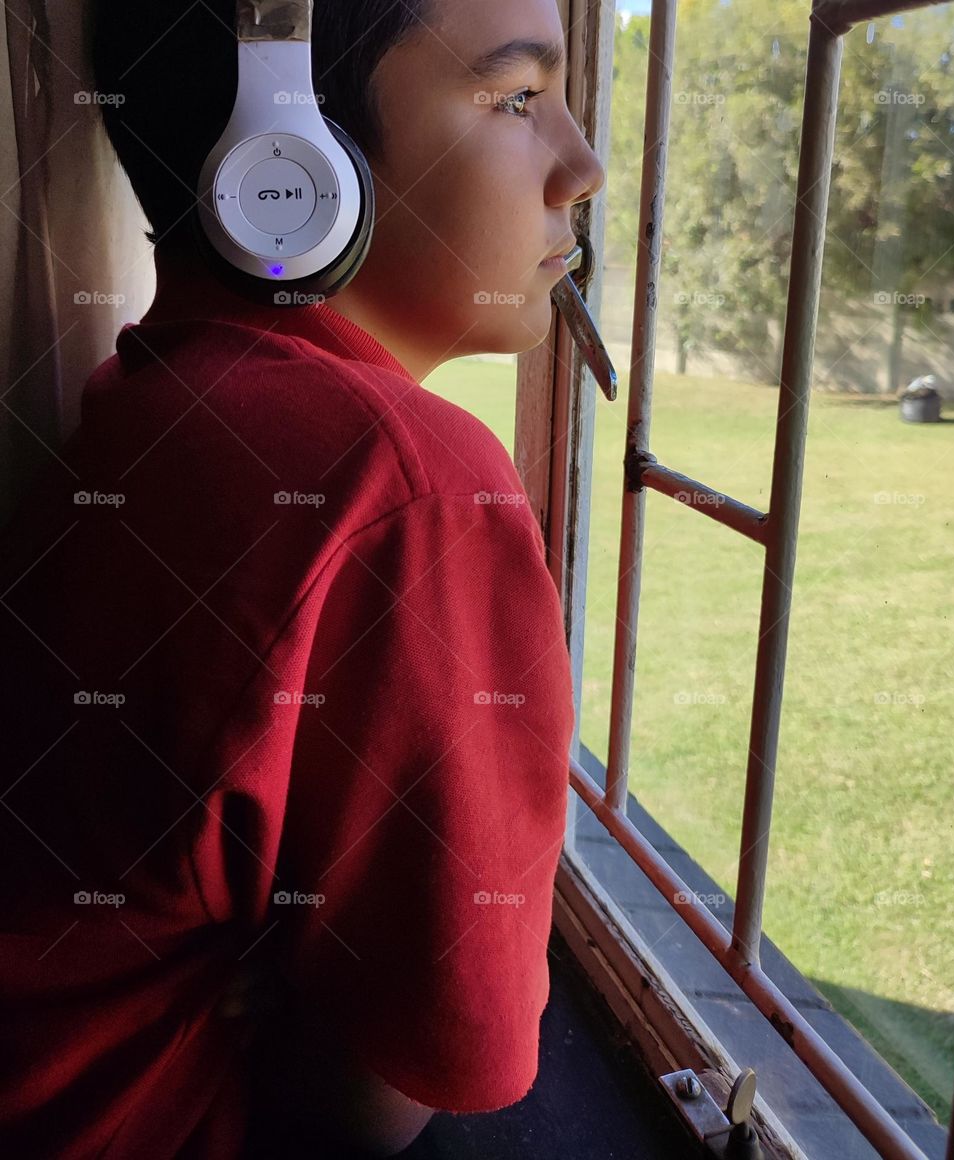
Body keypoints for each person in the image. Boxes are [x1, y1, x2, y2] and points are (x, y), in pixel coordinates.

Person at [0, 1, 605, 1156]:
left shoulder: (157, 404)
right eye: (518, 97)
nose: (581, 166)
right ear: (288, 161)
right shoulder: (403, 479)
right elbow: (398, 1082)